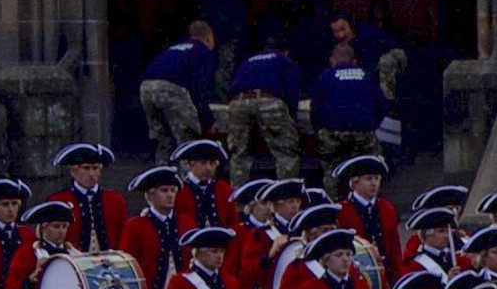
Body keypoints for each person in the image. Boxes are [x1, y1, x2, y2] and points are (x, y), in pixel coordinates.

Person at [220, 34, 302, 179]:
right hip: (268, 98)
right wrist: (292, 120)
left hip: (238, 101)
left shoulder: (249, 60)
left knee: (238, 155)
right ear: (286, 51)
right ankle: (287, 190)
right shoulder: (284, 60)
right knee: (285, 153)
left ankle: (238, 191)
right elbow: (291, 91)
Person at [309, 16, 386, 169]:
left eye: (343, 29)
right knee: (368, 165)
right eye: (335, 31)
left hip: (334, 129)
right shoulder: (367, 76)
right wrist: (371, 124)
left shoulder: (325, 76)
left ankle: (332, 182)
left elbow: (315, 108)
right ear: (354, 62)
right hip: (363, 128)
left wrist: (319, 129)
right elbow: (381, 106)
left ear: (332, 61)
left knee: (331, 166)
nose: (340, 35)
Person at [140, 20, 219, 156]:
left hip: (146, 87)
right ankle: (186, 168)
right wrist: (208, 121)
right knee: (188, 140)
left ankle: (162, 167)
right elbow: (200, 90)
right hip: (170, 87)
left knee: (163, 139)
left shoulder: (175, 48)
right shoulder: (202, 51)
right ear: (209, 37)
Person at [333, 149, 401, 281]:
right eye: (368, 179)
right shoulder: (342, 210)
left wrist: (398, 277)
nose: (374, 183)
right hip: (357, 277)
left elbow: (395, 247)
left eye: (377, 178)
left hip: (387, 276)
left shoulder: (386, 207)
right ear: (355, 182)